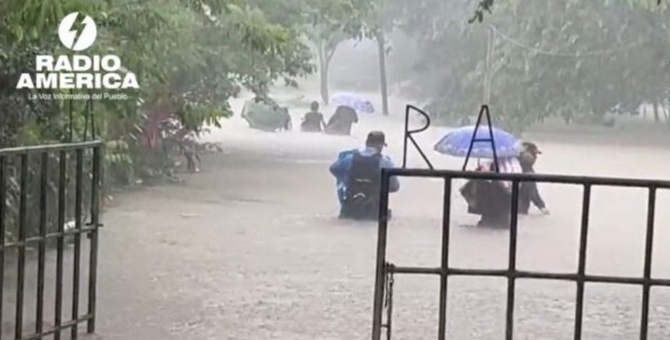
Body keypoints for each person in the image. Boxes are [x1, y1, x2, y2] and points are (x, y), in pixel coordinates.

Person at [329, 131, 399, 220]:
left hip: (350, 208)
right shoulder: (385, 162)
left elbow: (333, 169)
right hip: (374, 211)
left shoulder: (350, 158)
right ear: (380, 145)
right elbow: (395, 187)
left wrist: (345, 179)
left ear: (366, 143)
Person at [518, 142, 549, 215]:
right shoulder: (527, 171)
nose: (535, 157)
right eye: (534, 154)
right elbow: (533, 192)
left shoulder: (513, 167)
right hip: (519, 210)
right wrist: (542, 207)